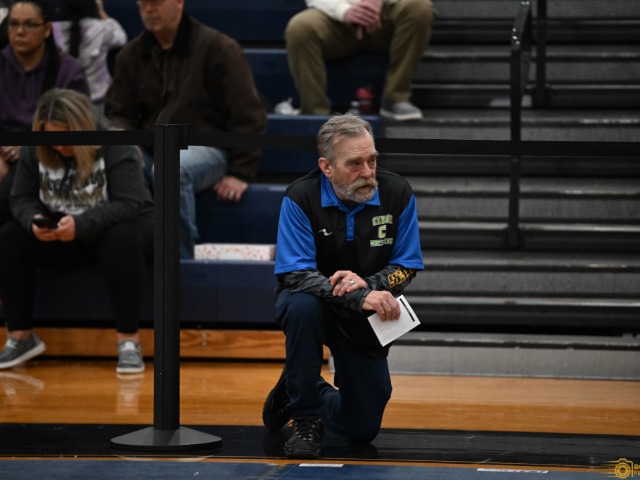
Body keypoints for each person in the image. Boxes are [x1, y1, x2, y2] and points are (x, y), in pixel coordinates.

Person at [262, 113, 424, 458]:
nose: (368, 172)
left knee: (362, 429)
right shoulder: (300, 197)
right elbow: (296, 274)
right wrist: (359, 294)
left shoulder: (397, 192)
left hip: (365, 314)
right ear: (327, 167)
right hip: (314, 303)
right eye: (355, 163)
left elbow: (407, 266)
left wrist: (370, 284)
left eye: (372, 160)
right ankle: (305, 419)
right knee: (302, 305)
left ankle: (296, 387)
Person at [0, 88, 154, 374]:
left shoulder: (115, 143)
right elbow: (20, 198)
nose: (60, 146)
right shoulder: (35, 149)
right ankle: (21, 335)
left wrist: (82, 225)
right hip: (64, 232)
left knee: (121, 237)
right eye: (53, 139)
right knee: (10, 235)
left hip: (113, 231)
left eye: (67, 137)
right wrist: (33, 220)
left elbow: (131, 203)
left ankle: (128, 341)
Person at [105, 0, 268, 259]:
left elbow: (248, 113)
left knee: (170, 166)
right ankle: (127, 257)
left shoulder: (219, 48)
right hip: (149, 148)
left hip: (208, 148)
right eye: (143, 3)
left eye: (156, 2)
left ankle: (180, 262)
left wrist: (241, 171)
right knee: (115, 156)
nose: (149, 9)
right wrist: (128, 141)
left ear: (179, 2)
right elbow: (117, 113)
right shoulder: (130, 54)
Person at [0, 0, 89, 226]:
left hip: (49, 156)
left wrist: (29, 148)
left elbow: (78, 129)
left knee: (8, 194)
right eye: (13, 24)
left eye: (29, 24)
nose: (20, 32)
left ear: (47, 29)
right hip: (3, 155)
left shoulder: (69, 71)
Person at [285, 0, 435, 121]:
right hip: (337, 20)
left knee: (419, 8)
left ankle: (395, 97)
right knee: (300, 28)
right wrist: (344, 11)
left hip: (386, 16)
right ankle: (315, 113)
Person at [53, 0, 127, 110]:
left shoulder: (52, 30)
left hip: (63, 104)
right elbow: (122, 38)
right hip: (99, 104)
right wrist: (101, 11)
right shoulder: (102, 29)